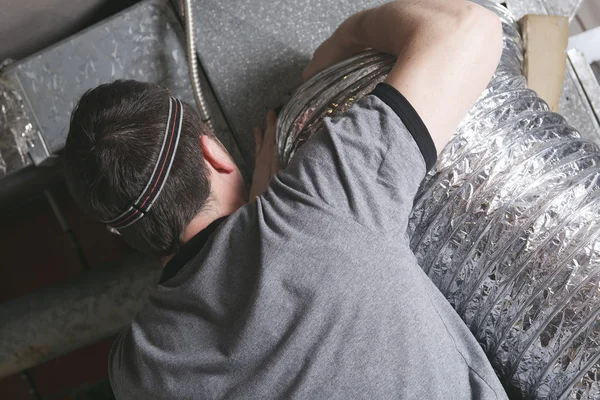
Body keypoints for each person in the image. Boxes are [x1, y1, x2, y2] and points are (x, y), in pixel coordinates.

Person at [64, 0, 505, 398]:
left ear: (126, 232)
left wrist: (258, 221)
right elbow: (471, 28)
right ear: (212, 153)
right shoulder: (323, 197)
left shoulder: (138, 372)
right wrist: (348, 36)